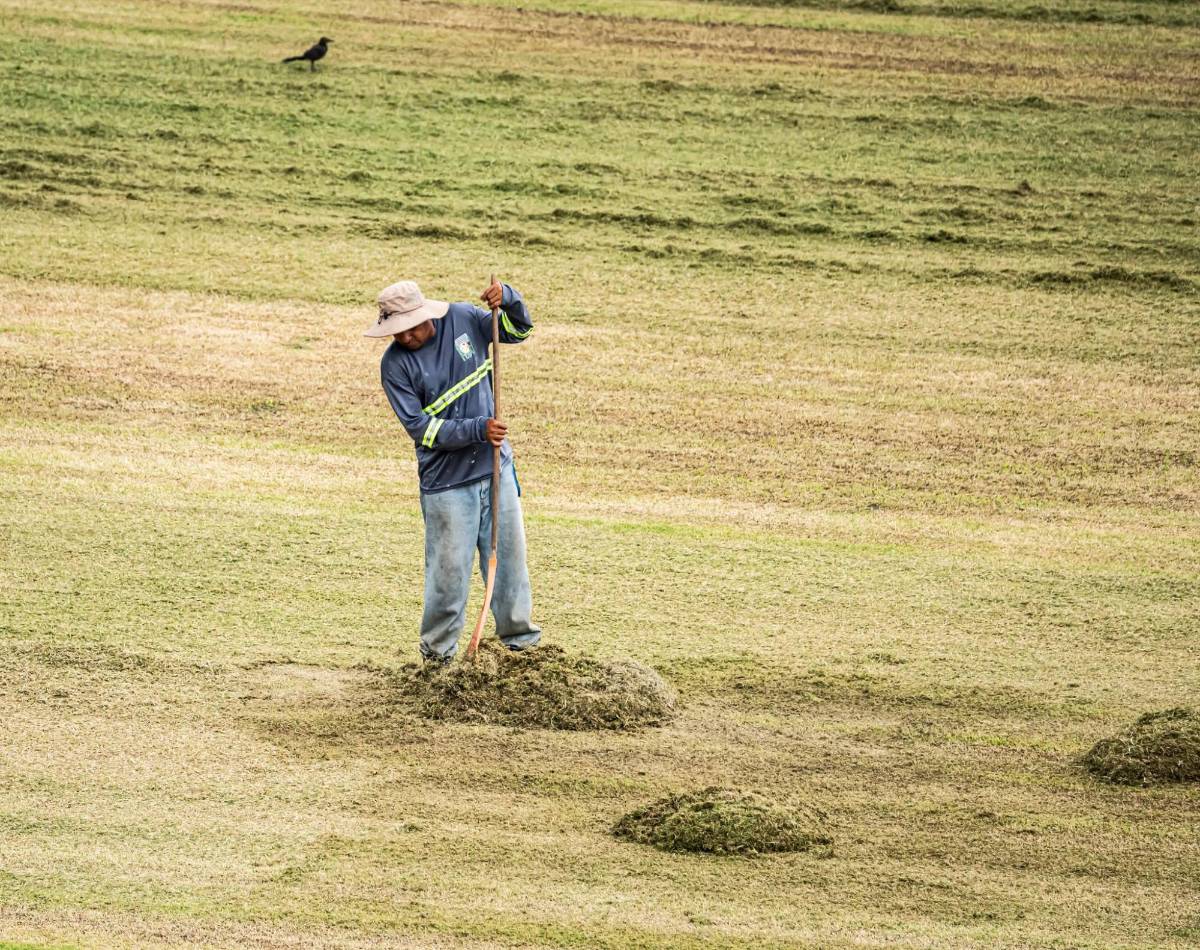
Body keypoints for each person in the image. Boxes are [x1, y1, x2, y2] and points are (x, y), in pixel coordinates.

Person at [365, 278, 541, 662]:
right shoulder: (394, 366)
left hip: (496, 469)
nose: (407, 336)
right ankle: (438, 658)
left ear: (427, 314)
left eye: (412, 326)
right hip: (446, 484)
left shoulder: (463, 318)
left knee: (510, 564)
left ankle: (521, 649)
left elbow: (516, 331)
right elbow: (421, 429)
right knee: (448, 577)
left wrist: (508, 299)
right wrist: (478, 429)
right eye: (398, 331)